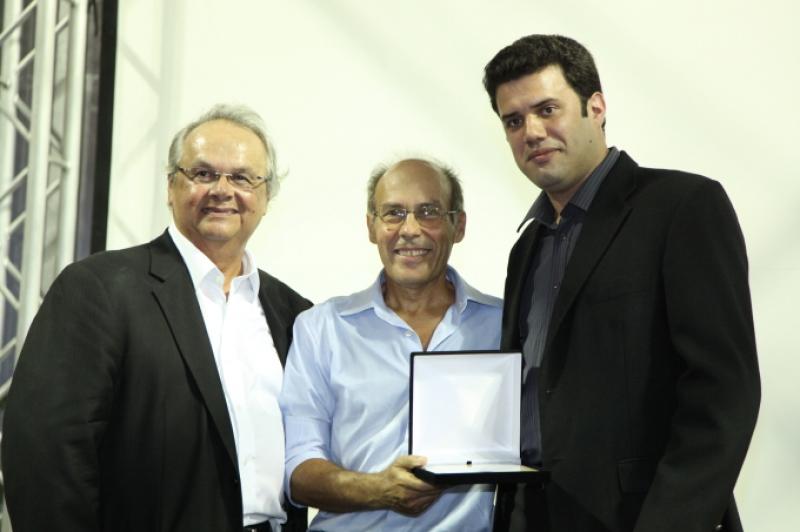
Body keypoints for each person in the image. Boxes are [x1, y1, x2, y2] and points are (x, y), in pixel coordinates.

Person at [483, 35, 760, 532]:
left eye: (547, 109)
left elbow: (723, 394)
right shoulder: (526, 249)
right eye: (514, 121)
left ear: (596, 107)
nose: (532, 132)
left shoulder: (682, 207)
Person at [1, 104, 310, 532]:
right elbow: (46, 451)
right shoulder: (100, 289)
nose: (222, 190)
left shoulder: (294, 314)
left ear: (266, 197)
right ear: (171, 187)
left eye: (242, 177)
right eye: (203, 173)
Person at [279, 158, 501, 531]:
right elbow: (298, 472)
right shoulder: (321, 328)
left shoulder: (504, 326)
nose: (410, 230)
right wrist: (378, 490)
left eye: (429, 212)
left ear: (458, 226)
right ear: (372, 226)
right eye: (393, 213)